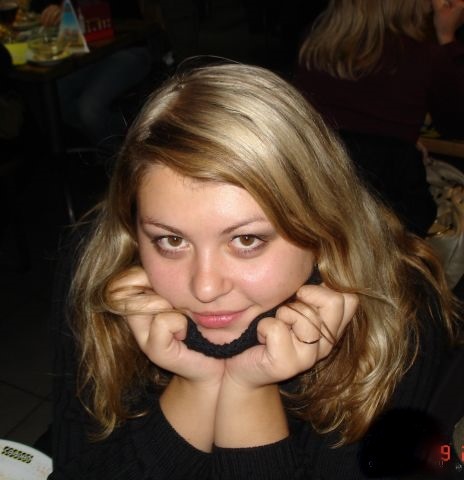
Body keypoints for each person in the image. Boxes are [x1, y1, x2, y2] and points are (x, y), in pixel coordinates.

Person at [47, 62, 462, 479]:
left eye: (246, 240)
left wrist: (249, 391)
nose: (205, 288)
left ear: (322, 226)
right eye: (171, 240)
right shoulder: (101, 270)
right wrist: (196, 386)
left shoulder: (398, 308)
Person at [294, 0, 464, 238]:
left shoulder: (314, 45)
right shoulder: (422, 52)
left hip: (324, 195)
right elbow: (456, 124)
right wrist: (447, 38)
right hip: (395, 211)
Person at [30, 0, 167, 153]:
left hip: (129, 47)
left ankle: (124, 150)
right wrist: (55, 9)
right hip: (91, 54)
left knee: (89, 108)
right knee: (55, 97)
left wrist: (71, 9)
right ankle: (114, 139)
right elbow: (38, 8)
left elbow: (116, 13)